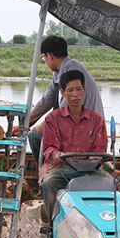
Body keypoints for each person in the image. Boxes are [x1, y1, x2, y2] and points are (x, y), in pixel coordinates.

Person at [13, 35, 104, 163]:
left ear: (50, 56)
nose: (45, 61)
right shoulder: (59, 73)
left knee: (36, 136)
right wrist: (24, 125)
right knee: (37, 134)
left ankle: (50, 170)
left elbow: (66, 109)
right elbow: (46, 101)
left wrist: (41, 126)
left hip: (87, 127)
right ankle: (51, 167)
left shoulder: (72, 69)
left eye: (43, 58)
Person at [39, 70, 109, 223]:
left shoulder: (96, 120)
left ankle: (104, 223)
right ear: (63, 93)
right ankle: (53, 226)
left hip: (89, 169)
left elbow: (100, 149)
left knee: (114, 185)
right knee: (49, 183)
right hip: (61, 168)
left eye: (78, 89)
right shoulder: (52, 119)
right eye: (70, 90)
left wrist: (93, 160)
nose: (75, 94)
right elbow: (49, 149)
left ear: (84, 90)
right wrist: (58, 155)